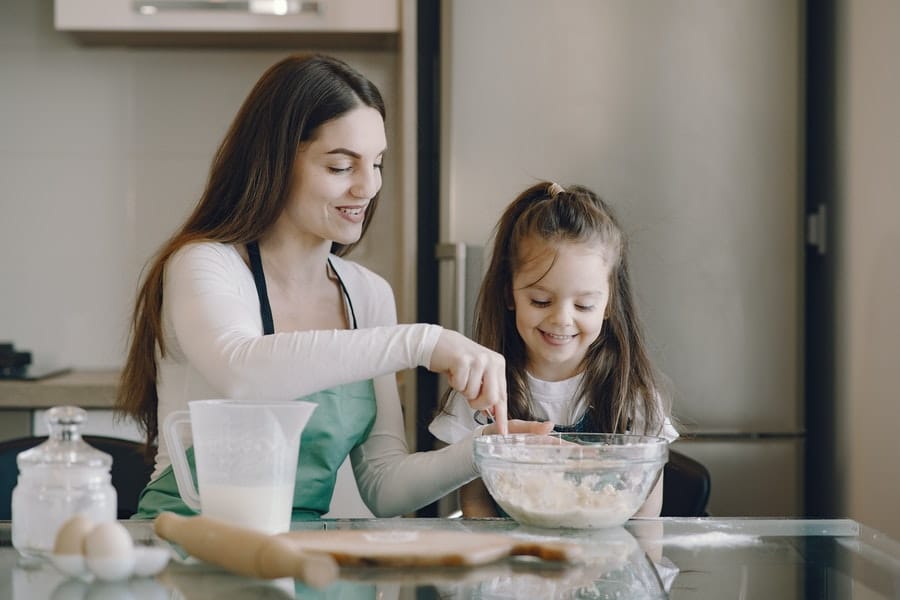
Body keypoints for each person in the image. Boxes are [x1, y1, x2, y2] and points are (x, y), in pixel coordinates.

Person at [115, 53, 537, 521]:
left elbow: (383, 485)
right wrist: (424, 341)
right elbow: (242, 372)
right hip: (186, 547)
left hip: (297, 558)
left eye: (376, 164)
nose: (368, 187)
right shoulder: (205, 264)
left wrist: (486, 448)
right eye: (341, 167)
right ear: (274, 162)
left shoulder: (367, 293)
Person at [429, 181, 679, 518]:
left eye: (585, 305)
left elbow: (646, 515)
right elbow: (475, 505)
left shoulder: (633, 396)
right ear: (509, 294)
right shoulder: (481, 391)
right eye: (540, 300)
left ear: (608, 305)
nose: (561, 319)